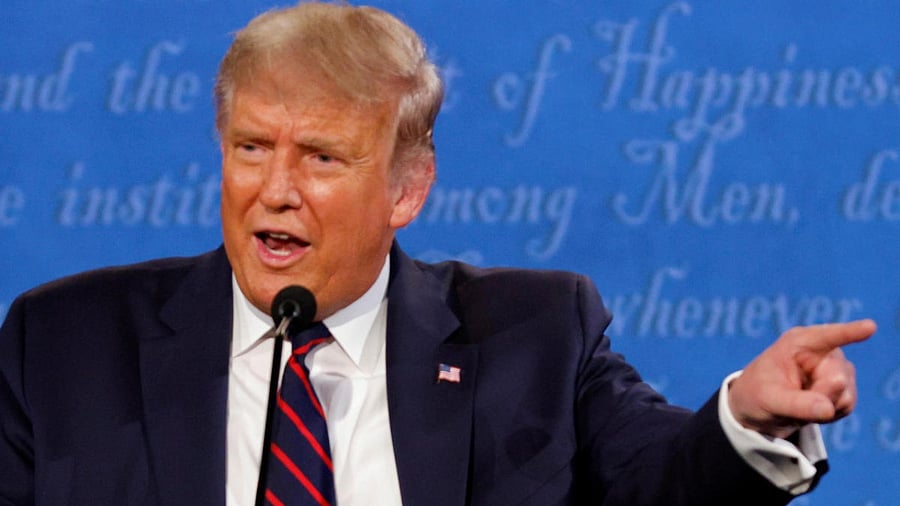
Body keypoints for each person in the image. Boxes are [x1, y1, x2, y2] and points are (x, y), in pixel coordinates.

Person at [0, 2, 876, 505]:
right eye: (251, 148)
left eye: (322, 157)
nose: (275, 189)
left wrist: (747, 421)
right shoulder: (65, 345)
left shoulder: (535, 337)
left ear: (406, 191)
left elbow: (662, 483)